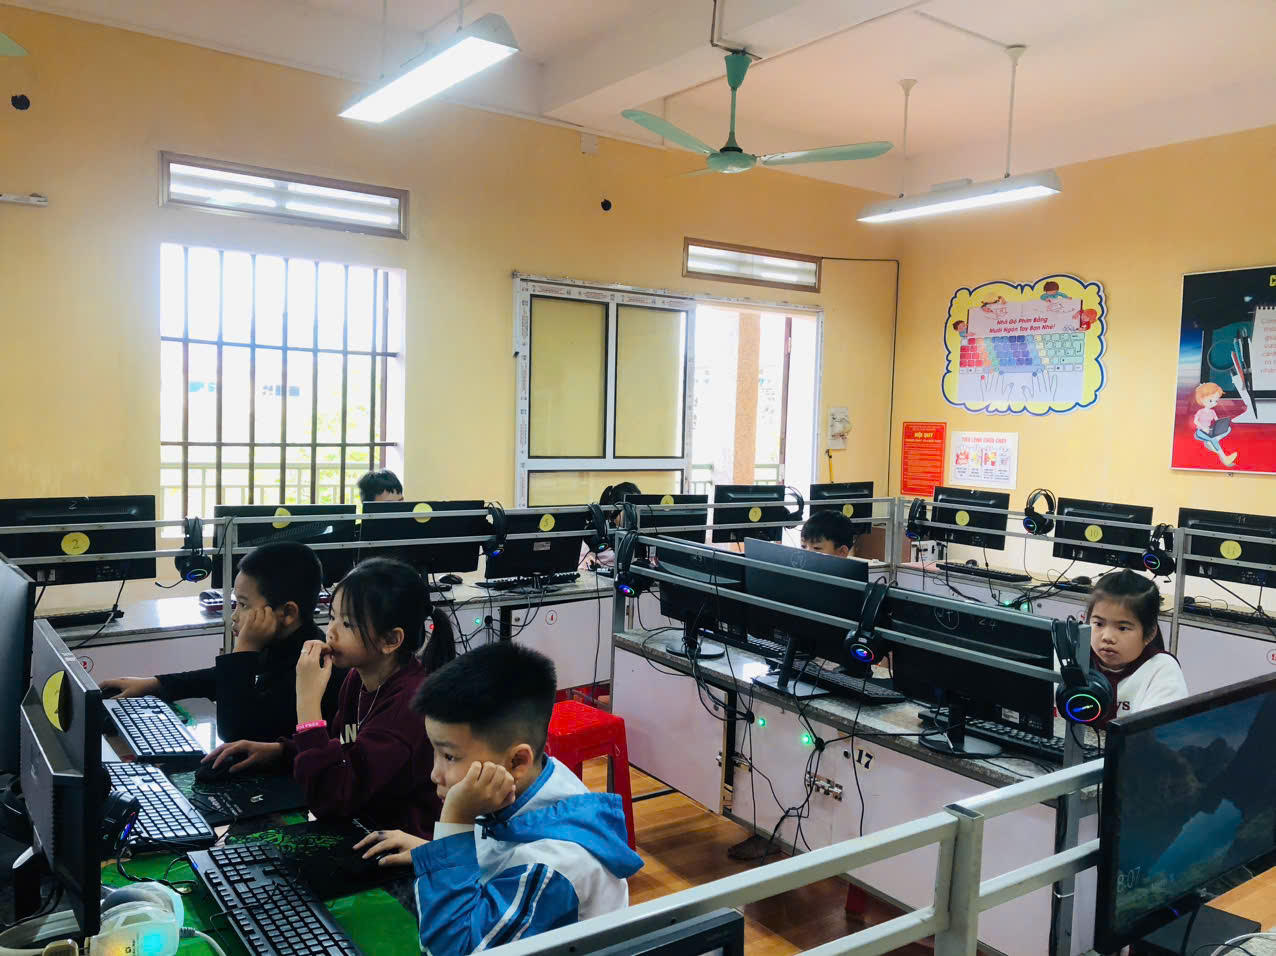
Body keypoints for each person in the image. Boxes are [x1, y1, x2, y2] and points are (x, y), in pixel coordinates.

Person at [352, 642, 642, 952]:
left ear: (517, 761)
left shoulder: (554, 867)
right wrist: (433, 853)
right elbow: (495, 856)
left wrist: (455, 824)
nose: (434, 774)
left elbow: (451, 949)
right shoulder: (525, 785)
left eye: (449, 756)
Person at [202, 558, 454, 837]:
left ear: (391, 640)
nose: (331, 631)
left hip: (399, 848)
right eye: (332, 616)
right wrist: (278, 751)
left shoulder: (407, 708)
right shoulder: (357, 678)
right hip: (363, 829)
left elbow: (331, 799)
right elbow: (342, 751)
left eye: (347, 623)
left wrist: (307, 701)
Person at [100, 542, 344, 742]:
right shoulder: (285, 645)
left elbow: (235, 732)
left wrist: (245, 649)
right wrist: (155, 684)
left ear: (288, 613)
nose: (234, 616)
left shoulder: (312, 667)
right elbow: (218, 678)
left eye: (244, 604)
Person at [1086, 569, 1188, 726]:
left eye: (1122, 628)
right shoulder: (1072, 657)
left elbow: (1153, 732)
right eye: (1099, 624)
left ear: (1149, 633)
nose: (1107, 637)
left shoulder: (1162, 669)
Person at [584, 482, 641, 569]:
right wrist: (589, 557)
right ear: (613, 512)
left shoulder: (641, 535)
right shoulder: (595, 535)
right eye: (630, 512)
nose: (635, 516)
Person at [1191, 382, 1238, 467]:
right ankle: (1225, 459)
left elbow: (1216, 420)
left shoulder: (1212, 411)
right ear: (1201, 399)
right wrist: (1203, 427)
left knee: (1228, 429)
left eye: (1216, 401)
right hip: (1201, 431)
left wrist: (1220, 426)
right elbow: (1195, 421)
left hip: (1209, 430)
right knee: (1213, 439)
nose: (1213, 403)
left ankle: (1213, 441)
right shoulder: (1200, 412)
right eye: (1210, 400)